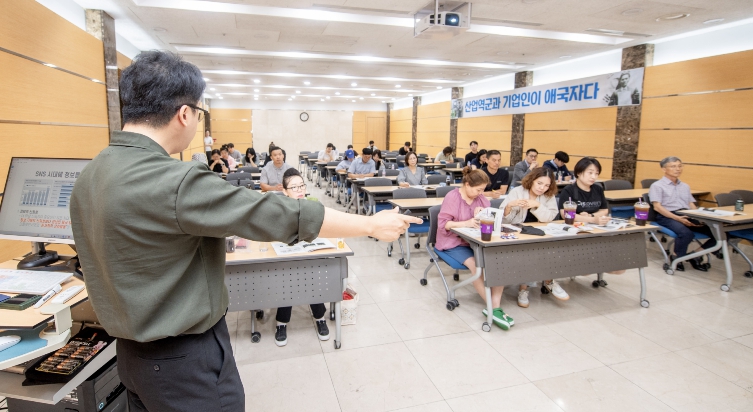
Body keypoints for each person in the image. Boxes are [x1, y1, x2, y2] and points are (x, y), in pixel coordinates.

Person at [69, 50, 420, 412]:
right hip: (183, 361)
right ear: (185, 113)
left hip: (130, 357)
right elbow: (274, 213)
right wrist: (371, 224)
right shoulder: (173, 180)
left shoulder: (91, 175)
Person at [436, 167, 514, 330]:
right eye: (478, 189)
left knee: (497, 261)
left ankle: (494, 306)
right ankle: (493, 308)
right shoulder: (452, 197)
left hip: (475, 241)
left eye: (483, 190)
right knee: (475, 265)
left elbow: (490, 217)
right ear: (467, 184)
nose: (481, 193)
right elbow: (444, 225)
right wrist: (467, 222)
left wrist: (483, 213)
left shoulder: (480, 198)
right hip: (454, 241)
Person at [274, 168, 330, 346]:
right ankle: (281, 322)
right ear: (285, 191)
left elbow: (325, 228)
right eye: (294, 187)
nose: (299, 190)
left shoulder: (313, 203)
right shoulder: (280, 209)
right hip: (286, 257)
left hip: (309, 255)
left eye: (301, 186)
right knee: (288, 278)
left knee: (311, 275)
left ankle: (320, 317)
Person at [501, 168, 566, 306]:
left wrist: (537, 205)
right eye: (539, 183)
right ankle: (524, 288)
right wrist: (509, 206)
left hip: (540, 232)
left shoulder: (548, 196)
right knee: (529, 251)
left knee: (552, 248)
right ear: (532, 180)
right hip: (519, 233)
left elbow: (549, 217)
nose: (542, 188)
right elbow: (504, 221)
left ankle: (548, 280)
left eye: (546, 185)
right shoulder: (517, 192)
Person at [649, 156, 716, 272]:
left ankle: (695, 255)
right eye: (673, 166)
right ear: (664, 169)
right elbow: (657, 207)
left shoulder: (685, 186)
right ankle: (676, 258)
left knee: (719, 233)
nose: (678, 169)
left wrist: (699, 217)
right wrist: (678, 218)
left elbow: (691, 203)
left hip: (686, 214)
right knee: (686, 234)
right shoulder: (657, 186)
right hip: (667, 216)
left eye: (680, 166)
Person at [557, 157, 611, 226]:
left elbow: (604, 210)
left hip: (595, 226)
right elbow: (565, 214)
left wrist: (591, 215)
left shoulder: (598, 189)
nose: (593, 177)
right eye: (590, 173)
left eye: (596, 173)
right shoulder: (568, 190)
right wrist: (593, 220)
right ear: (579, 173)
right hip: (574, 226)